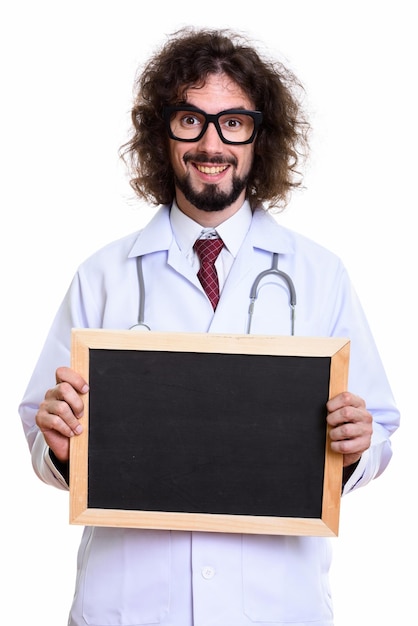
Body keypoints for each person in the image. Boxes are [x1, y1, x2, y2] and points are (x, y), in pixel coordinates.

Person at [19, 26, 399, 626]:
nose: (211, 142)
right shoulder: (101, 277)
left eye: (234, 122)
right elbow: (40, 435)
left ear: (259, 137)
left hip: (276, 609)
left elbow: (378, 431)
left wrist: (357, 447)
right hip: (132, 608)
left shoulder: (321, 275)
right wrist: (60, 448)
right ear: (162, 133)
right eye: (191, 120)